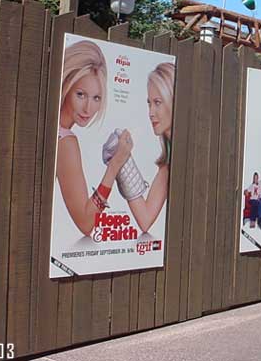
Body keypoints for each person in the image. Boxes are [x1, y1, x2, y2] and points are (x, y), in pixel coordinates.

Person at [56, 39, 132, 236]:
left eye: (96, 98)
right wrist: (115, 165)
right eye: (80, 94)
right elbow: (86, 222)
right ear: (66, 87)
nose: (88, 109)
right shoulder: (65, 141)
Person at [125, 62, 175, 233]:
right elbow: (145, 219)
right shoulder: (169, 159)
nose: (150, 112)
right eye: (149, 103)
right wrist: (122, 165)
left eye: (158, 102)